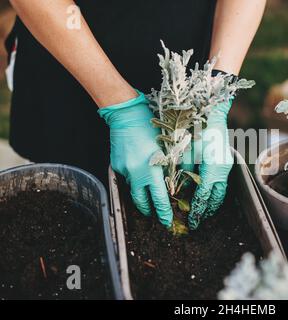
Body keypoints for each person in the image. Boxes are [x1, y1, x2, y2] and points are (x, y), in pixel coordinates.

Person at [6, 0, 266, 228]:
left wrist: (215, 89)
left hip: (189, 55)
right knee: (63, 213)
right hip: (67, 59)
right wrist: (121, 109)